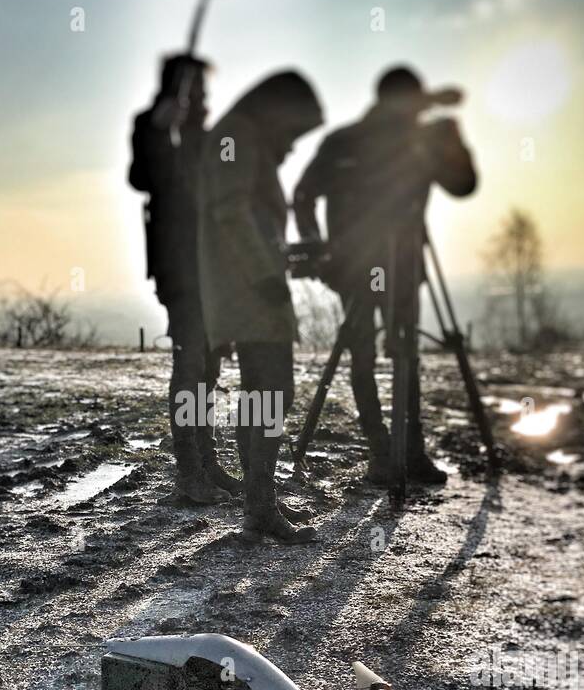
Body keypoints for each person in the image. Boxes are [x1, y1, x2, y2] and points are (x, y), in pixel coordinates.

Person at [293, 65, 477, 484]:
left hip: (402, 263)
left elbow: (464, 184)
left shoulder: (421, 140)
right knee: (366, 352)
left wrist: (452, 142)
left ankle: (407, 454)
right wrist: (318, 248)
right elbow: (304, 194)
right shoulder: (346, 141)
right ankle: (385, 454)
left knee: (401, 353)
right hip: (356, 265)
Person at [198, 70, 324, 543]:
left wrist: (285, 255)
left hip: (246, 283)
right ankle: (259, 508)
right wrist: (268, 274)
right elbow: (229, 213)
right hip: (250, 290)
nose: (291, 146)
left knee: (260, 394)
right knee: (272, 393)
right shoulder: (238, 135)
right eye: (293, 131)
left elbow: (241, 217)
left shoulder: (238, 134)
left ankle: (259, 504)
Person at [128, 54, 241, 504]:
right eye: (194, 90)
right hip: (180, 269)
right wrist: (158, 131)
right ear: (175, 90)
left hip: (216, 269)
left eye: (205, 92)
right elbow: (141, 177)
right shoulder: (153, 127)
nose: (203, 100)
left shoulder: (209, 138)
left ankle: (207, 463)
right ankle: (189, 471)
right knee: (191, 365)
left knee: (209, 369)